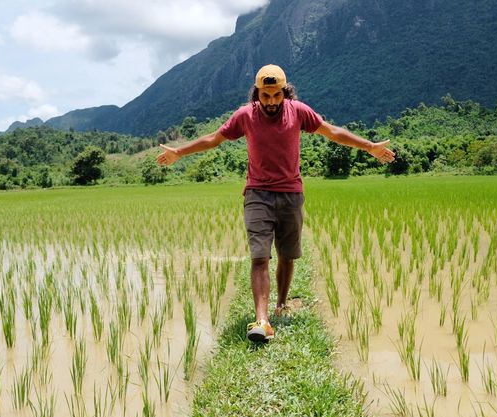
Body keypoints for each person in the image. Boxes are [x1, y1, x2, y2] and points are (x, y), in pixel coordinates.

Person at [157, 64, 395, 342]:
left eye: (275, 95)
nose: (270, 102)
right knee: (260, 256)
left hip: (291, 193)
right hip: (257, 193)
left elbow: (332, 132)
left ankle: (281, 303)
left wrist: (369, 146)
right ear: (256, 93)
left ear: (285, 91)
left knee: (287, 254)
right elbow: (213, 139)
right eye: (264, 96)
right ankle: (262, 319)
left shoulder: (299, 111)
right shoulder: (245, 116)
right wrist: (179, 152)